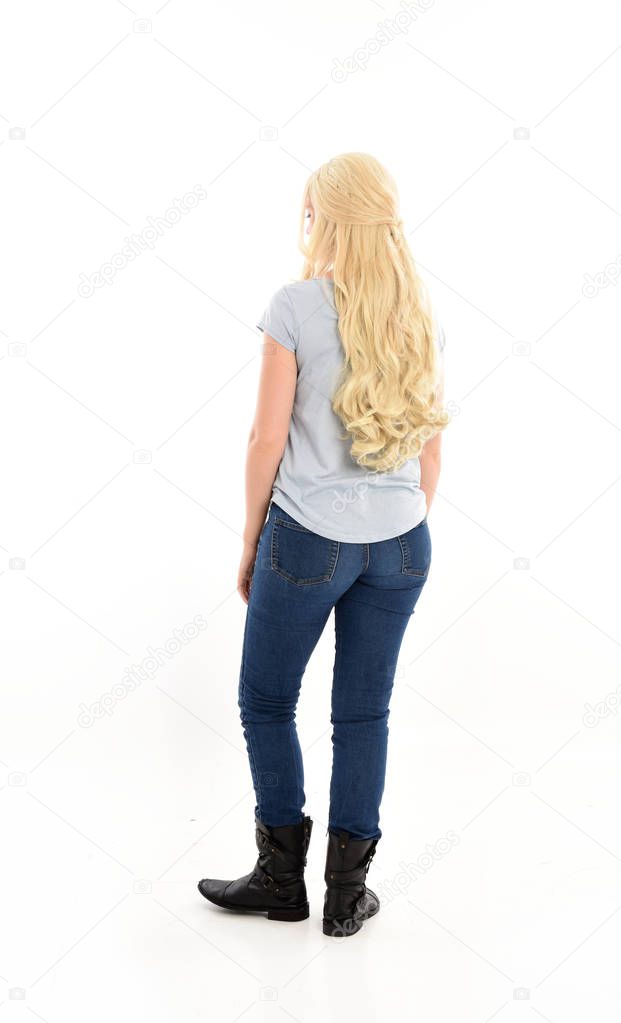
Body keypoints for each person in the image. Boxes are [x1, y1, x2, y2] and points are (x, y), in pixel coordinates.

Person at [198, 152, 449, 937]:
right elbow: (431, 448)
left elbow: (264, 437)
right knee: (362, 714)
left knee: (266, 700)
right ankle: (345, 896)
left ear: (329, 221)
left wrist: (251, 539)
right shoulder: (418, 313)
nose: (306, 228)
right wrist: (396, 520)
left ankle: (281, 880)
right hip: (403, 543)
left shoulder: (297, 305)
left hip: (305, 540)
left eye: (311, 214)